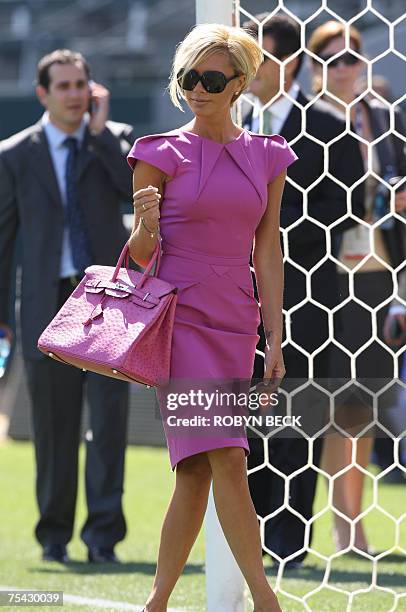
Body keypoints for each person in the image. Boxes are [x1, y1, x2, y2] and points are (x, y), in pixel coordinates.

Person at [127, 23, 297, 612]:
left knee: (196, 473)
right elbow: (141, 257)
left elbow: (267, 250)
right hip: (180, 319)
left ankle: (157, 602)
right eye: (189, 78)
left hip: (237, 321)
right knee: (227, 452)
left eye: (212, 78)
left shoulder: (269, 156)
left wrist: (274, 336)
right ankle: (264, 598)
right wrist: (146, 224)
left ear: (240, 83)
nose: (198, 88)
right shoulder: (157, 152)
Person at [0, 49, 134, 563]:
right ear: (43, 94)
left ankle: (103, 538)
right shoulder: (14, 154)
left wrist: (100, 137)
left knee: (108, 423)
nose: (76, 94)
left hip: (107, 303)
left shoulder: (115, 141)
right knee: (54, 431)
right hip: (45, 304)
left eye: (83, 83)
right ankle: (53, 537)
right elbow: (3, 240)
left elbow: (135, 196)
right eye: (65, 86)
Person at [242, 14, 365, 566]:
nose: (246, 69)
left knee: (294, 419)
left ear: (286, 61)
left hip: (305, 299)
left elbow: (344, 210)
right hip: (235, 299)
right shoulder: (229, 124)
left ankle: (287, 546)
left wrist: (264, 216)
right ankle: (243, 537)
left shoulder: (328, 128)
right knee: (243, 420)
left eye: (256, 56)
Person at [308, 20, 406, 550]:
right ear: (315, 67)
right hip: (321, 280)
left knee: (363, 404)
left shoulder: (385, 119)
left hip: (377, 275)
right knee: (323, 400)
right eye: (332, 59)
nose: (345, 67)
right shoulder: (307, 123)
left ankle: (353, 522)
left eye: (353, 58)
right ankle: (336, 518)